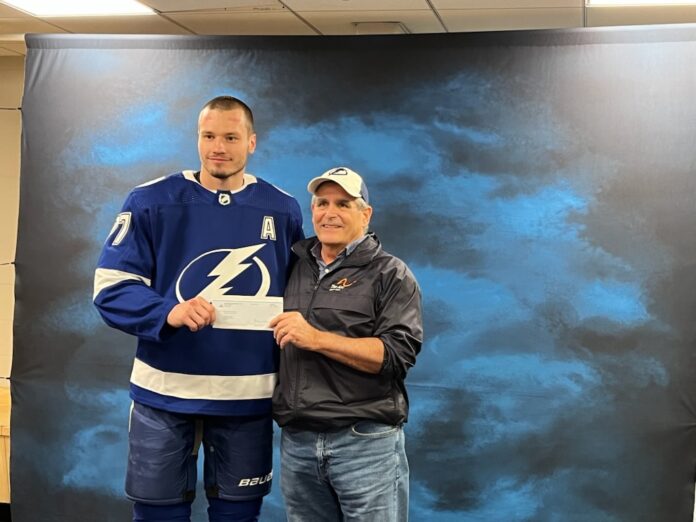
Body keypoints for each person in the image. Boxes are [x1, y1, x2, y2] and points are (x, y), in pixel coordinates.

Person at [93, 96, 303, 522]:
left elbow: (301, 294)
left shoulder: (281, 208)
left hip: (248, 396)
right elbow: (111, 285)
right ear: (198, 139)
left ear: (252, 143)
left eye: (230, 137)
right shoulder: (151, 200)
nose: (218, 147)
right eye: (209, 136)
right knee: (158, 514)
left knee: (239, 514)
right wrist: (166, 313)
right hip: (165, 392)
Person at [270, 166, 423, 521]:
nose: (330, 212)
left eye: (343, 203)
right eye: (322, 203)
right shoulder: (293, 267)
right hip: (298, 444)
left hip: (364, 443)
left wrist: (317, 339)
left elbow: (396, 355)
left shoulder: (391, 274)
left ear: (365, 213)